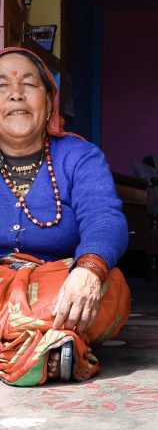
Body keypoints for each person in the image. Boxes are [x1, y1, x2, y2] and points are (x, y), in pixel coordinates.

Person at [0, 47, 130, 386]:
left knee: (109, 285)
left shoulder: (79, 156)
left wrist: (87, 271)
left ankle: (23, 347)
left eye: (29, 84)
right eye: (1, 86)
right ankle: (50, 350)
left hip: (57, 287)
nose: (16, 94)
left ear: (49, 104)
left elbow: (105, 218)